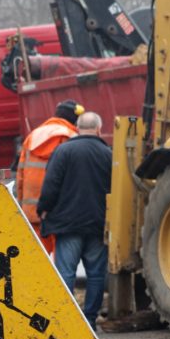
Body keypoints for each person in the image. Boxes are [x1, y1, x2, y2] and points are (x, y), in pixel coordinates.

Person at [36, 111, 111, 327]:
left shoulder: (63, 151)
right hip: (97, 225)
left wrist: (44, 208)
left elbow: (51, 184)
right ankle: (89, 320)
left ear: (77, 129)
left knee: (65, 274)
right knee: (96, 275)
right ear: (98, 129)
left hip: (67, 225)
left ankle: (66, 321)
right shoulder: (107, 154)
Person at [15, 99, 84, 255]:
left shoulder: (32, 136)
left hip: (32, 210)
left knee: (37, 258)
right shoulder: (71, 138)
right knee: (61, 260)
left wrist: (22, 204)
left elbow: (20, 176)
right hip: (59, 211)